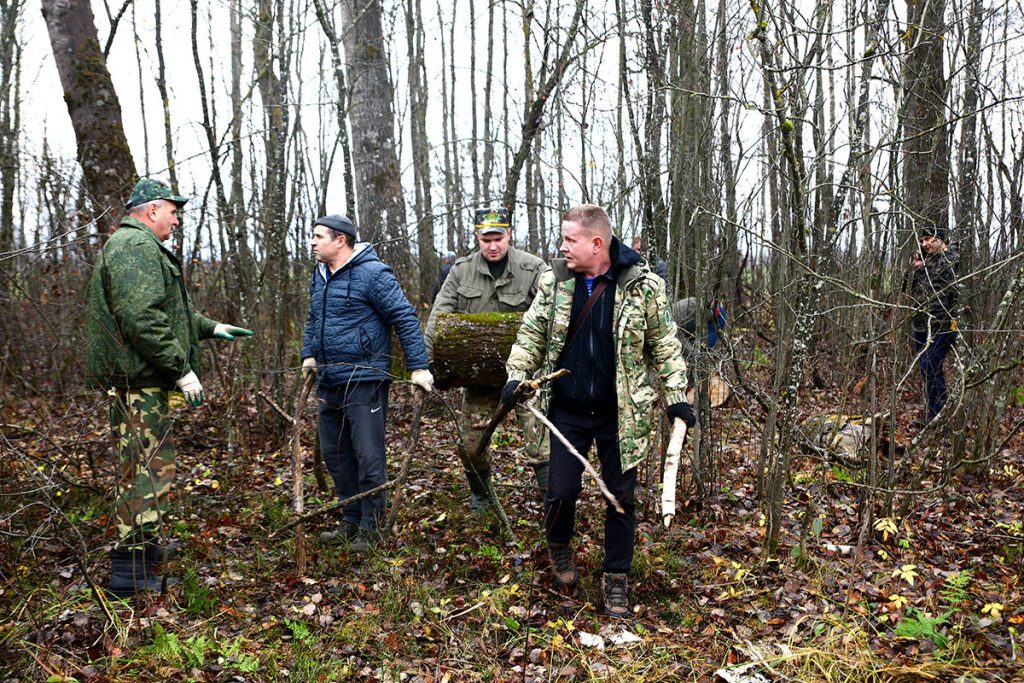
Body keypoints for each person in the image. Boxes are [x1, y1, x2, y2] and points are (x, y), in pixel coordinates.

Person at [504, 204, 695, 617]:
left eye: (569, 240)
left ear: (596, 243)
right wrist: (516, 375)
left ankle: (617, 577)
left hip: (621, 414)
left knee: (621, 499)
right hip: (567, 411)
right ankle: (559, 546)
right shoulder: (555, 281)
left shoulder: (642, 286)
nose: (562, 247)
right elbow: (531, 335)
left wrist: (677, 395)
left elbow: (665, 344)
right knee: (560, 492)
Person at [85, 178, 253, 597]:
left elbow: (168, 314)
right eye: (173, 212)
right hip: (137, 382)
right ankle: (130, 570)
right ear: (153, 209)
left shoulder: (138, 246)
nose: (176, 221)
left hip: (142, 380)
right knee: (143, 471)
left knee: (151, 467)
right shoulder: (133, 246)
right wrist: (181, 369)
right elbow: (141, 319)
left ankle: (146, 546)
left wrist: (211, 327)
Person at [301, 214, 434, 552]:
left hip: (364, 378)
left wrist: (418, 367)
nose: (313, 242)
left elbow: (404, 316)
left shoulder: (373, 274)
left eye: (319, 236)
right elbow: (314, 317)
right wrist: (309, 354)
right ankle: (351, 518)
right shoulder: (319, 275)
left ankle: (372, 527)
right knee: (335, 453)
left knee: (367, 454)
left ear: (340, 240)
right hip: (329, 378)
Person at [425, 208, 549, 511]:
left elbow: (553, 312)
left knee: (541, 444)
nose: (493, 246)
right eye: (486, 239)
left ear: (509, 235)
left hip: (526, 374)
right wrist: (427, 363)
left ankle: (553, 503)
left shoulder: (533, 268)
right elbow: (439, 317)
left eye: (498, 238)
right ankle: (481, 496)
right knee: (471, 445)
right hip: (479, 374)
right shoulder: (461, 271)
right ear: (477, 238)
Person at [908, 224, 958, 423]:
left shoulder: (952, 260)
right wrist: (915, 268)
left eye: (928, 239)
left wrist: (954, 323)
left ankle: (939, 414)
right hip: (921, 325)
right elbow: (907, 288)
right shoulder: (924, 262)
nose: (924, 243)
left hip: (942, 325)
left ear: (940, 239)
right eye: (922, 240)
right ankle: (935, 413)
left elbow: (958, 295)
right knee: (927, 369)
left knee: (929, 365)